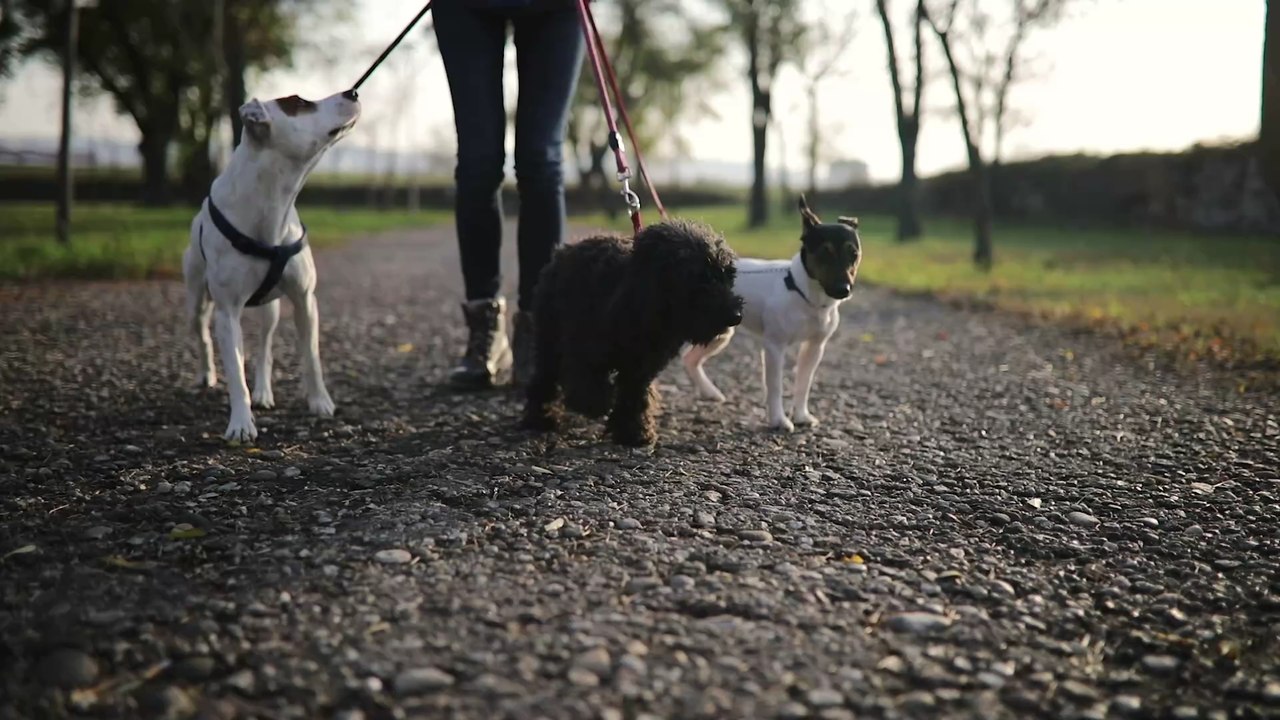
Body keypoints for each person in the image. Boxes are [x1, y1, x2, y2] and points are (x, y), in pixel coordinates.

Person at [433, 0, 586, 389]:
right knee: (478, 161)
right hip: (466, 8)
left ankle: (537, 328)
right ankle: (485, 325)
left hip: (557, 8)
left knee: (541, 159)